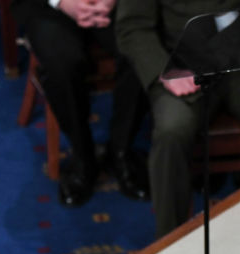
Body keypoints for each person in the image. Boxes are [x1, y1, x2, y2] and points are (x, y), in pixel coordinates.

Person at [115, 2, 240, 237]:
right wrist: (164, 70)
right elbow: (132, 27)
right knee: (172, 131)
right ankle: (169, 242)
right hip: (182, 65)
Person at [12, 0, 150, 207]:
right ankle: (83, 158)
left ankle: (121, 151)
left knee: (143, 51)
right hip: (47, 7)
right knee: (61, 65)